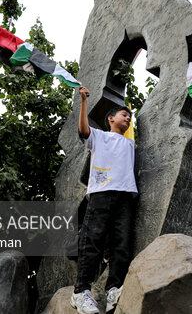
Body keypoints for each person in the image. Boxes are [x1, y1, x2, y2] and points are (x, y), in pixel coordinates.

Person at [71, 86, 137, 314]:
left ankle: (114, 289)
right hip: (101, 193)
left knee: (122, 244)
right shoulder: (100, 136)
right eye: (123, 114)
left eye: (129, 116)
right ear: (110, 119)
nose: (127, 117)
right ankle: (80, 291)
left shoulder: (130, 143)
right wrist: (83, 102)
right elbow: (83, 130)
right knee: (93, 241)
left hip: (126, 196)